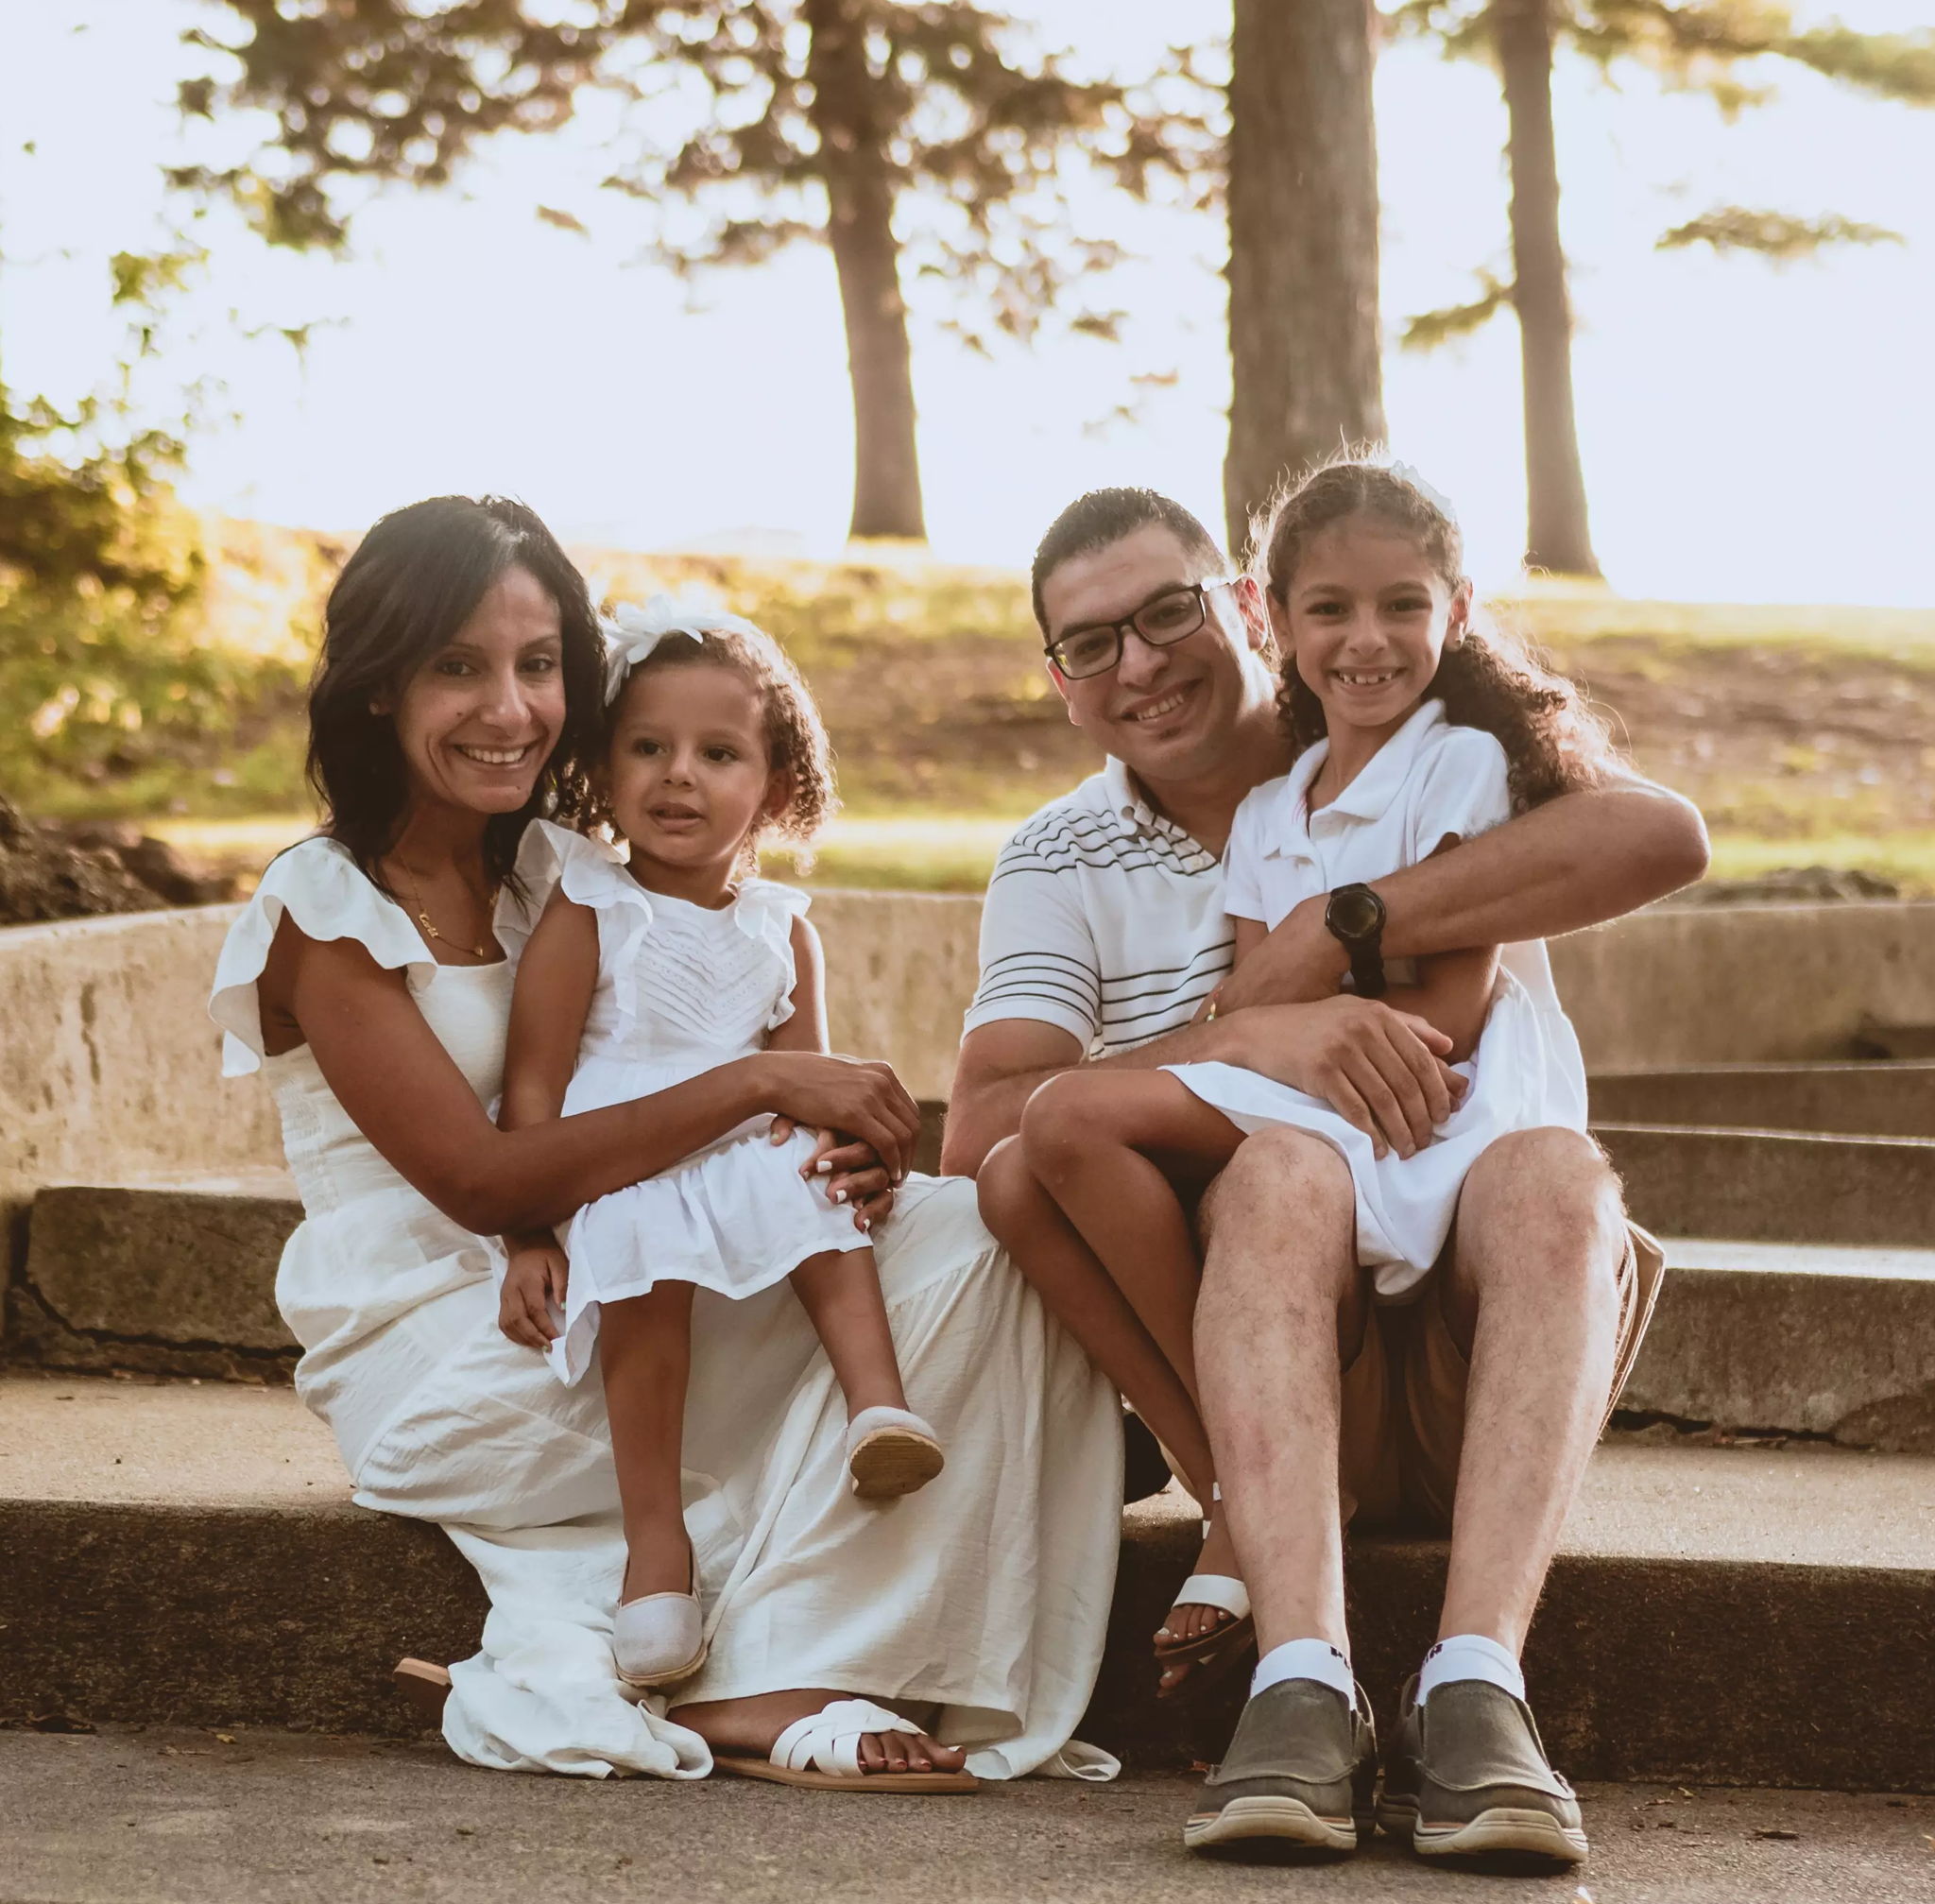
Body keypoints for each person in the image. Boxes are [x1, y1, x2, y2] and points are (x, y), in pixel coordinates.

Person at [210, 495, 1121, 1792]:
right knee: (723, 1276)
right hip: (456, 1330)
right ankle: (765, 1667)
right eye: (457, 666)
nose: (508, 708)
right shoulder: (324, 905)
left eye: (538, 665)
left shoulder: (563, 871)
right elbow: (478, 1177)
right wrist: (758, 1082)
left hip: (620, 1250)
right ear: (376, 685)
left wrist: (834, 1159)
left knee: (974, 1230)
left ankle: (789, 1647)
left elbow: (705, 1022)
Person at [948, 471, 1705, 1862]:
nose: (1141, 662)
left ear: (1239, 608)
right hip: (1267, 1336)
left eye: (1166, 612)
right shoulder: (1070, 852)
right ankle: (1294, 1660)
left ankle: (1477, 1687)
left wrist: (1350, 922)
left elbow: (1659, 836)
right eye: (1092, 642)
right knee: (1269, 1172)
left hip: (1477, 1303)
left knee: (1555, 1174)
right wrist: (1258, 1028)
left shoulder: (1437, 746)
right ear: (1059, 679)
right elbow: (986, 1123)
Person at [496, 597, 943, 1702]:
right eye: (647, 747)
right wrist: (527, 1233)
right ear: (604, 769)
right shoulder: (589, 905)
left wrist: (848, 1159)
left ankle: (878, 1407)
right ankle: (657, 1548)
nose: (678, 776)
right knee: (641, 1271)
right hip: (617, 1163)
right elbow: (533, 1084)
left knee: (812, 1186)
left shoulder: (782, 924)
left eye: (717, 753)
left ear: (776, 787)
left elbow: (809, 1084)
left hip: (740, 1149)